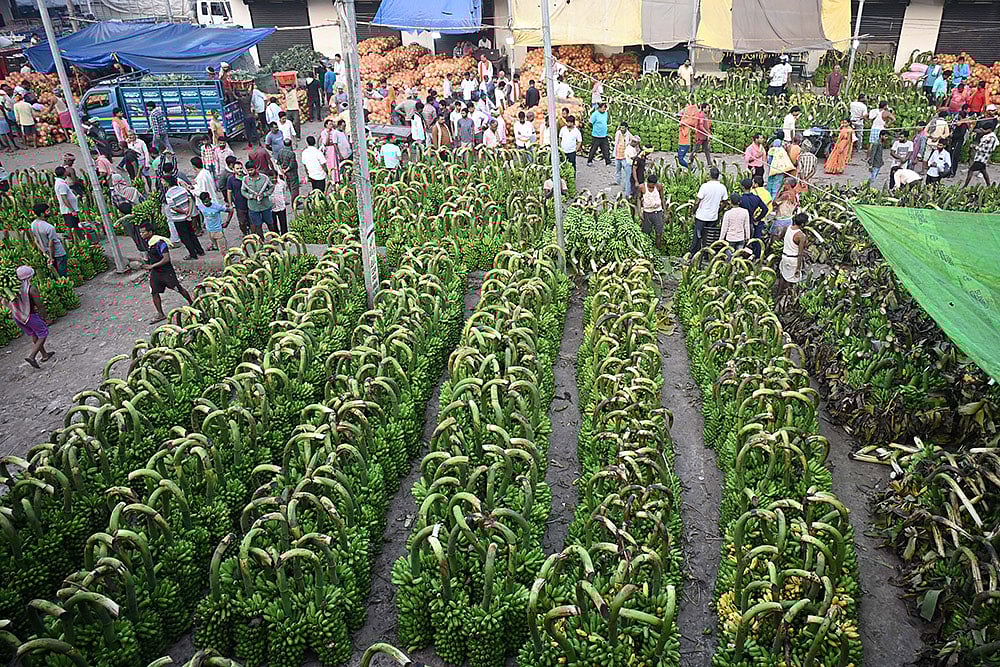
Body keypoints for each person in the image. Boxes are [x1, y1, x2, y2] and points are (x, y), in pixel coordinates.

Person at [139, 223, 193, 323]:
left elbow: (166, 259)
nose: (141, 234)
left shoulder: (160, 243)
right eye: (141, 232)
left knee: (178, 289)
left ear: (150, 232)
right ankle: (160, 314)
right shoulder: (148, 242)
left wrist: (152, 266)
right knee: (154, 292)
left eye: (143, 232)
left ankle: (192, 303)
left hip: (166, 272)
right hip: (156, 273)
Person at [5, 265, 53, 367]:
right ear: (29, 277)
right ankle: (32, 356)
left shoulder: (12, 290)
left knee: (34, 334)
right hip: (30, 316)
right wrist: (46, 318)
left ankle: (45, 355)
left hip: (18, 317)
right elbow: (40, 305)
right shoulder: (31, 289)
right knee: (43, 333)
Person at [162, 175, 204, 259]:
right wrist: (189, 211)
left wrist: (184, 212)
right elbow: (190, 200)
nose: (162, 183)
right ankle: (200, 250)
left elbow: (173, 207)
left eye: (163, 181)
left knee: (184, 237)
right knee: (191, 233)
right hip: (187, 216)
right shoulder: (182, 189)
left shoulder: (169, 194)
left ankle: (192, 254)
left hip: (178, 218)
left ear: (167, 183)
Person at [690, 166, 727, 256]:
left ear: (710, 175)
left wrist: (693, 211)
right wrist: (718, 210)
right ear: (718, 176)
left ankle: (694, 254)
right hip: (713, 217)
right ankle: (706, 255)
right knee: (709, 237)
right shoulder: (722, 187)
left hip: (702, 216)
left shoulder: (705, 186)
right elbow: (725, 202)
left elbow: (697, 201)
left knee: (698, 236)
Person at [29, 203, 67, 277]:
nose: (49, 212)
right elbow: (51, 244)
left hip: (47, 252)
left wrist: (45, 253)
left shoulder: (33, 224)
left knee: (54, 272)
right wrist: (52, 257)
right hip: (58, 253)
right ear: (42, 214)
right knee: (62, 274)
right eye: (47, 211)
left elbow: (36, 241)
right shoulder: (49, 227)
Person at [775, 213, 807, 297]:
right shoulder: (801, 236)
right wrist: (798, 268)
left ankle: (778, 295)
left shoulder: (787, 228)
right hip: (793, 260)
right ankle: (788, 298)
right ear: (803, 224)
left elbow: (779, 237)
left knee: (783, 277)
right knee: (792, 281)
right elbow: (800, 253)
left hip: (784, 257)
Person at [241, 162, 274, 235]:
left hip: (265, 206)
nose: (250, 172)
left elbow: (271, 187)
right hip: (253, 207)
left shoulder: (264, 178)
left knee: (270, 223)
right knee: (258, 225)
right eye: (248, 170)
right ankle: (261, 242)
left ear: (256, 169)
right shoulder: (245, 180)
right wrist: (251, 196)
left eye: (251, 170)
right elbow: (243, 191)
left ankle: (274, 239)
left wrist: (265, 194)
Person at [638, 173, 665, 249]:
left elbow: (662, 198)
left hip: (657, 211)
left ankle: (658, 248)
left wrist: (665, 212)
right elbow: (638, 199)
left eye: (654, 184)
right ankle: (646, 247)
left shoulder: (659, 186)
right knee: (646, 232)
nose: (652, 186)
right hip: (647, 212)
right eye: (651, 184)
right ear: (648, 182)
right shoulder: (642, 187)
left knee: (659, 232)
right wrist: (640, 211)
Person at [739, 177, 768, 247]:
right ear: (751, 186)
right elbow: (765, 209)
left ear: (742, 187)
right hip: (751, 223)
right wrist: (757, 219)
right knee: (751, 243)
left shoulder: (740, 199)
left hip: (741, 224)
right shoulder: (756, 198)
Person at [225, 157, 250, 235]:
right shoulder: (231, 179)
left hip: (249, 203)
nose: (239, 170)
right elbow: (229, 192)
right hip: (239, 205)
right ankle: (245, 234)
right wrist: (230, 204)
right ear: (234, 169)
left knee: (252, 221)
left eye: (240, 168)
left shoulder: (247, 177)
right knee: (242, 222)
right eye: (237, 168)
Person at [53, 166, 80, 232]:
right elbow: (64, 199)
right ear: (64, 173)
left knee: (75, 226)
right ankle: (76, 240)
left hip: (69, 210)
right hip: (68, 211)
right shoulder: (61, 184)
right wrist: (72, 210)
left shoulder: (60, 182)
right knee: (73, 228)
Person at [949, 108, 974, 176]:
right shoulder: (961, 123)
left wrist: (952, 135)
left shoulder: (963, 125)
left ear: (960, 116)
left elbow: (961, 134)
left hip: (957, 142)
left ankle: (952, 172)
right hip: (955, 141)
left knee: (954, 157)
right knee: (951, 155)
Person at [678, 101, 699, 169]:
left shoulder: (686, 126)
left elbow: (685, 133)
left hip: (685, 144)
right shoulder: (683, 123)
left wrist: (682, 126)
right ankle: (688, 166)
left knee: (680, 160)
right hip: (681, 143)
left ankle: (691, 167)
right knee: (680, 159)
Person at [613, 121, 633, 187]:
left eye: (623, 128)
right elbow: (616, 142)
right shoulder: (618, 133)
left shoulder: (629, 135)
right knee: (617, 169)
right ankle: (617, 181)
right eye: (621, 128)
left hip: (625, 155)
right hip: (618, 153)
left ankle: (626, 184)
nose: (622, 130)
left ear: (626, 128)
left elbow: (633, 141)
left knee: (625, 170)